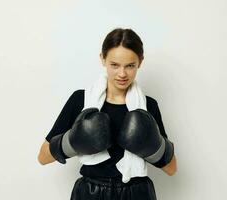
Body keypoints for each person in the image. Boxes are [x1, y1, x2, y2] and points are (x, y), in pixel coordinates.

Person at [37, 28, 177, 200]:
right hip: (90, 193)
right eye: (114, 65)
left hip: (137, 193)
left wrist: (152, 145)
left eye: (130, 66)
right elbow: (43, 157)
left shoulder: (148, 106)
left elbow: (171, 168)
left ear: (140, 62)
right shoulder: (81, 100)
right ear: (102, 59)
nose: (122, 74)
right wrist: (73, 141)